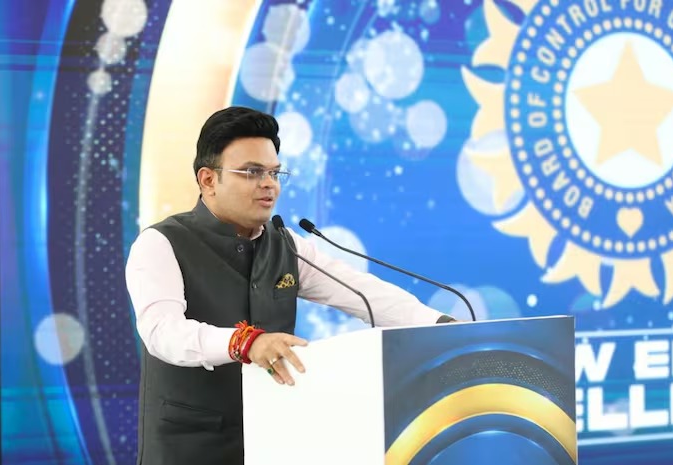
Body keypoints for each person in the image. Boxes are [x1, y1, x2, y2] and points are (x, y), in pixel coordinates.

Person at [125, 106, 455, 465]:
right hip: (188, 448)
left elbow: (363, 294)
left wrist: (441, 327)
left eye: (274, 172)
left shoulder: (286, 245)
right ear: (208, 180)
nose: (269, 184)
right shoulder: (162, 243)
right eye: (252, 172)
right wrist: (245, 342)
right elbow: (163, 333)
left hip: (273, 442)